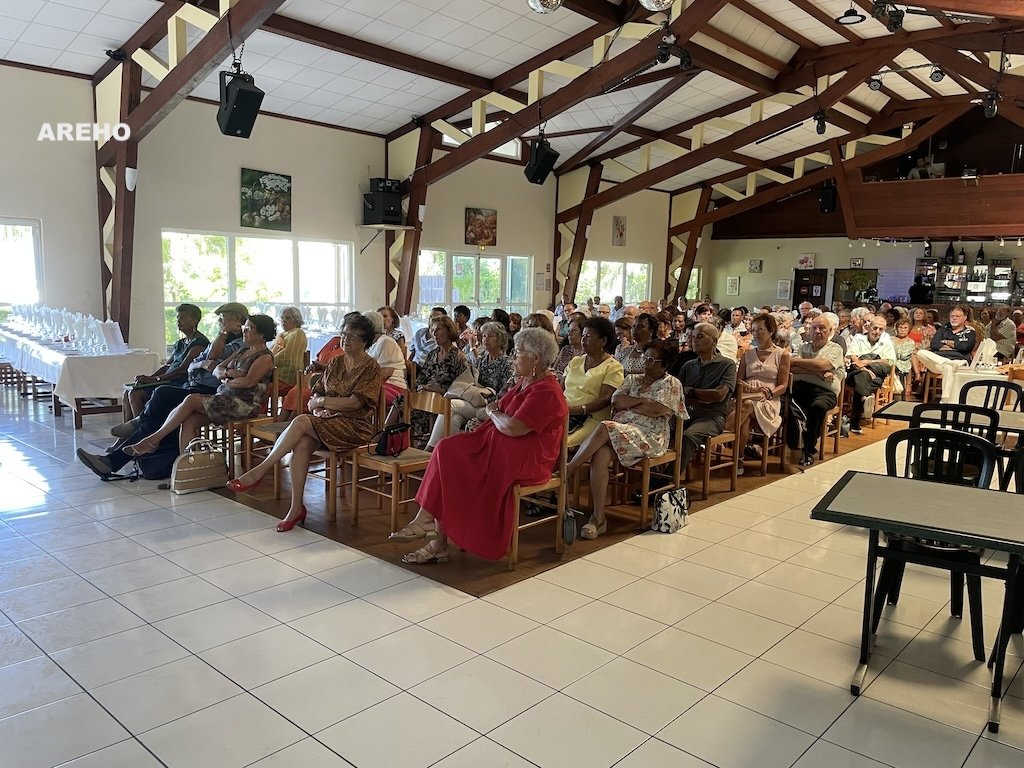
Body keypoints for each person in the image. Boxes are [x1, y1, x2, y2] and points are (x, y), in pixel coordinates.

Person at [389, 328, 567, 563]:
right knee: (446, 450)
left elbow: (512, 426)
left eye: (518, 353)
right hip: (502, 447)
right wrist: (495, 412)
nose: (514, 357)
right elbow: (496, 410)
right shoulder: (525, 382)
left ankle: (434, 537)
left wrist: (493, 412)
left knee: (453, 464)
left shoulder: (547, 390)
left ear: (536, 358)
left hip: (526, 458)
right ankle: (429, 527)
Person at [228, 315, 383, 531]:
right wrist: (319, 408)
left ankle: (261, 470)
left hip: (355, 427)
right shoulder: (336, 362)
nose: (345, 339)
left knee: (301, 420)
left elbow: (354, 403)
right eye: (344, 334)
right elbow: (314, 396)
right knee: (301, 444)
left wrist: (322, 403)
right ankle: (296, 508)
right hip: (326, 422)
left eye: (353, 336)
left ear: (365, 341)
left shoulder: (370, 367)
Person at [567, 341, 682, 539]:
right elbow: (616, 400)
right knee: (601, 455)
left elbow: (658, 410)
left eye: (651, 359)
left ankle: (570, 469)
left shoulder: (671, 383)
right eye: (645, 357)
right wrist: (642, 401)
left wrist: (630, 404)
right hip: (622, 433)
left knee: (605, 426)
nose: (645, 362)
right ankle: (598, 518)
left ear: (665, 364)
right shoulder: (633, 379)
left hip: (649, 436)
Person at [123, 314, 277, 457]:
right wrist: (230, 373)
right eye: (244, 327)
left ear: (262, 333)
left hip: (245, 405)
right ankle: (189, 465)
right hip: (225, 399)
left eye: (248, 328)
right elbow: (216, 369)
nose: (244, 331)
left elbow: (248, 382)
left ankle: (153, 440)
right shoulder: (242, 351)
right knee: (189, 421)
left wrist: (227, 380)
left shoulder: (264, 356)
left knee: (191, 399)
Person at [108, 302, 248, 440]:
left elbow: (210, 358)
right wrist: (201, 364)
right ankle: (138, 434)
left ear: (236, 318)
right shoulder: (205, 341)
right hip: (192, 384)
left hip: (205, 389)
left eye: (222, 318)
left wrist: (223, 333)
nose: (219, 322)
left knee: (158, 393)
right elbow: (192, 365)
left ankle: (142, 431)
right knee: (135, 393)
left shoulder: (237, 343)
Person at [427, 321, 513, 448]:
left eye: (490, 336)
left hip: (488, 405)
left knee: (450, 405)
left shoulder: (507, 363)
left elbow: (505, 393)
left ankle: (429, 450)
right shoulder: (482, 359)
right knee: (455, 418)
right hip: (473, 400)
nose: (485, 339)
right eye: (484, 336)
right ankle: (448, 452)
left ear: (500, 339)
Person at [123, 303, 208, 419]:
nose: (179, 321)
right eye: (178, 317)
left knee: (136, 394)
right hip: (167, 379)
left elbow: (183, 370)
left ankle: (142, 427)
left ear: (194, 321)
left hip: (180, 382)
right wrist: (149, 379)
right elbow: (167, 366)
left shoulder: (199, 343)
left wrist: (156, 379)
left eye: (183, 317)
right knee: (127, 392)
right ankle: (128, 429)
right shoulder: (181, 343)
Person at [677, 323, 736, 470]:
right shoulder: (689, 365)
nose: (694, 340)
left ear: (714, 341)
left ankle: (668, 478)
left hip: (712, 416)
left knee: (689, 436)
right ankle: (655, 472)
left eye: (700, 336)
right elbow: (678, 393)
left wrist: (691, 391)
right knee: (660, 427)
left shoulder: (727, 365)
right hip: (687, 412)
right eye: (693, 337)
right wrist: (702, 395)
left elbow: (719, 395)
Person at [787, 316, 844, 467]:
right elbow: (791, 366)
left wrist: (808, 366)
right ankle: (796, 442)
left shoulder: (835, 348)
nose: (818, 331)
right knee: (786, 404)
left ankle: (808, 450)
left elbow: (822, 364)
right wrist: (818, 372)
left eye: (822, 328)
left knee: (817, 407)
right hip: (799, 388)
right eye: (814, 328)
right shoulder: (802, 347)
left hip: (825, 392)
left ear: (830, 331)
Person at [736, 314, 791, 471]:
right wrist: (752, 388)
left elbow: (783, 385)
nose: (756, 334)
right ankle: (738, 457)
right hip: (747, 394)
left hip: (768, 398)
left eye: (760, 330)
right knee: (745, 412)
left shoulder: (782, 354)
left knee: (745, 408)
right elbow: (738, 380)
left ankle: (734, 452)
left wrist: (769, 394)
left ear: (771, 331)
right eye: (753, 330)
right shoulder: (748, 354)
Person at [562, 317, 624, 449]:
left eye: (588, 336)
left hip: (591, 418)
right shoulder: (576, 361)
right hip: (565, 414)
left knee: (562, 443)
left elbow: (604, 400)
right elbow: (559, 389)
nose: (583, 339)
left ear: (603, 341)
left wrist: (576, 410)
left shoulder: (613, 367)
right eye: (583, 335)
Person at [412, 314, 468, 444]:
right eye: (432, 330)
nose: (434, 333)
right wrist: (421, 387)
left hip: (444, 398)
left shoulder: (459, 357)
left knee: (421, 404)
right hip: (426, 394)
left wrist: (436, 390)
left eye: (438, 329)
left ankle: (428, 444)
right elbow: (422, 378)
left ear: (449, 331)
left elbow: (460, 388)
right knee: (401, 401)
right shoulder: (432, 354)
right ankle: (388, 439)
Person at [277, 333, 345, 421]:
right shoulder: (334, 340)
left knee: (303, 395)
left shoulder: (349, 349)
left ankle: (290, 424)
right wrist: (313, 365)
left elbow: (342, 369)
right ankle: (279, 425)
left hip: (328, 382)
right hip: (313, 379)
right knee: (294, 392)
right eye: (344, 333)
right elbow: (318, 358)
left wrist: (323, 366)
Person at [846, 315, 895, 434]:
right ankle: (865, 397)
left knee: (862, 379)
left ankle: (856, 420)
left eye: (880, 329)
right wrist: (865, 368)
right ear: (868, 327)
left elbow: (889, 361)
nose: (877, 331)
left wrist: (868, 362)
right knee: (862, 377)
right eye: (875, 328)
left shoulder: (886, 341)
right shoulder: (858, 338)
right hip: (857, 372)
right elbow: (852, 356)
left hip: (876, 375)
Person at [912, 305, 976, 395]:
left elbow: (966, 346)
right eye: (952, 316)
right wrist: (955, 345)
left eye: (957, 316)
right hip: (939, 363)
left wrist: (945, 342)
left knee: (948, 368)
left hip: (959, 362)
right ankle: (949, 363)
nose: (954, 318)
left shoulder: (970, 332)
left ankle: (945, 399)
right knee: (920, 353)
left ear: (964, 318)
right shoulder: (943, 329)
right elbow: (934, 344)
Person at [364, 311, 407, 408]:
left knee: (359, 397)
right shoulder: (372, 344)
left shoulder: (385, 341)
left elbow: (384, 373)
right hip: (378, 386)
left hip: (394, 387)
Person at [271, 306, 307, 394]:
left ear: (296, 320)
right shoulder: (282, 335)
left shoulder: (298, 333)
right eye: (282, 318)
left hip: (286, 378)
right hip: (274, 373)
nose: (284, 321)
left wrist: (266, 362)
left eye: (288, 318)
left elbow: (286, 356)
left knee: (256, 386)